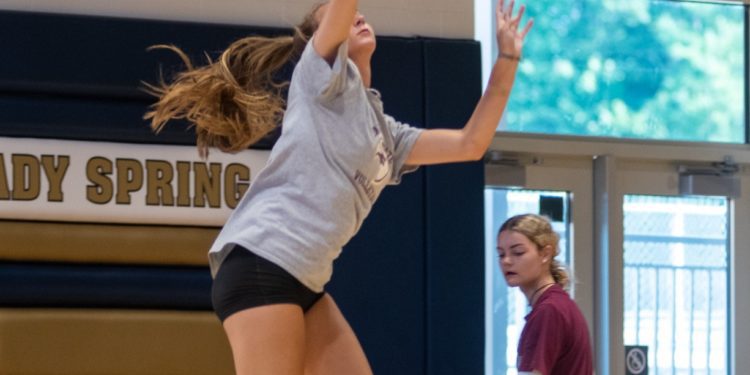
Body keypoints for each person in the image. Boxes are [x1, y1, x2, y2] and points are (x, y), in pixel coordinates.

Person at [145, 0, 532, 373]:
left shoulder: (388, 135)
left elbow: (471, 143)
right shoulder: (322, 78)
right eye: (345, 16)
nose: (359, 16)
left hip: (306, 279)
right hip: (262, 259)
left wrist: (508, 59)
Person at [496, 214, 593, 375]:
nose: (506, 261)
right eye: (501, 254)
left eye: (518, 252)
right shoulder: (557, 305)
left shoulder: (549, 310)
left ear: (545, 254)